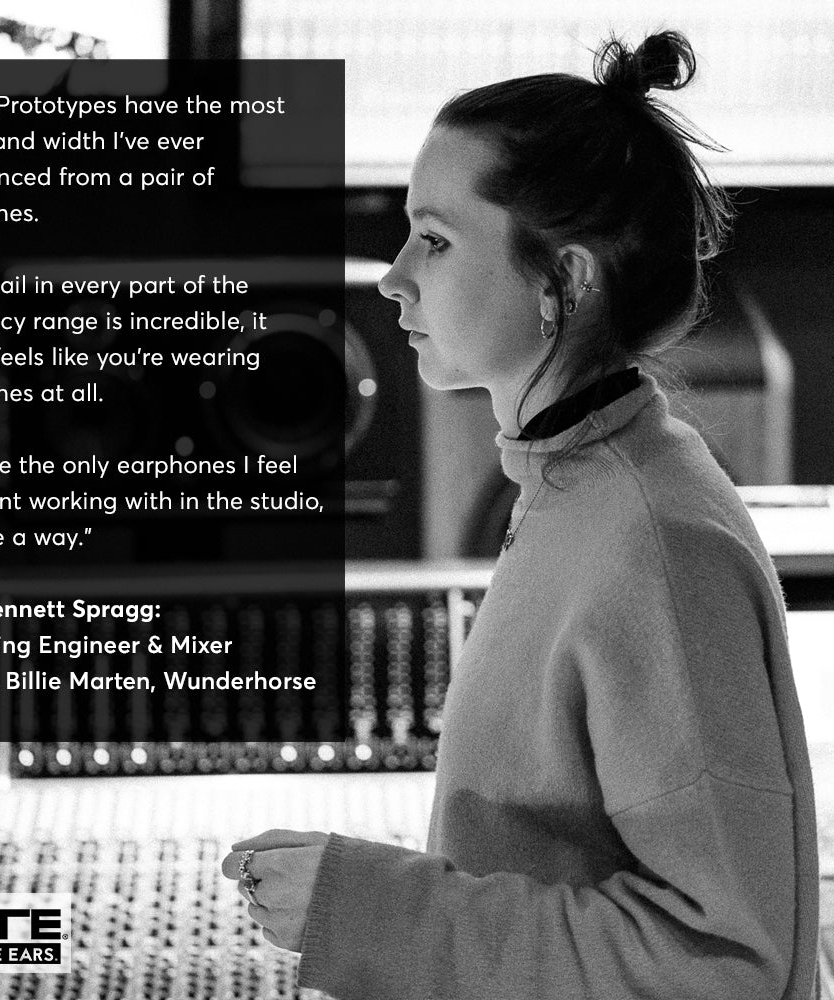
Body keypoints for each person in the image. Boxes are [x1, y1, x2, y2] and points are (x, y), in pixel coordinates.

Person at [222, 31, 820, 1000]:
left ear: (564, 281)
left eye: (435, 239)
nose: (393, 276)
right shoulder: (582, 487)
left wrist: (370, 908)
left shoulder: (657, 544)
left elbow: (723, 966)